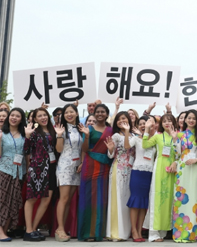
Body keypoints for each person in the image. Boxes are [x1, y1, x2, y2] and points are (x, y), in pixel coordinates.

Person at [77, 104, 112, 241]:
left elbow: (112, 149)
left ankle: (98, 232)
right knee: (88, 198)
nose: (100, 114)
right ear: (93, 113)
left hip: (104, 167)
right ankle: (87, 233)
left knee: (100, 199)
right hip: (90, 165)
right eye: (97, 112)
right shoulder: (88, 129)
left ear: (107, 114)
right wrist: (86, 136)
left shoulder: (111, 130)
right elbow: (85, 149)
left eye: (103, 112)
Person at [23, 107, 58, 241]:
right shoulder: (33, 132)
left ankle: (33, 229)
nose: (43, 117)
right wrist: (27, 136)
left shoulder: (54, 130)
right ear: (35, 119)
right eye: (40, 116)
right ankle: (28, 230)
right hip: (37, 167)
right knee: (32, 198)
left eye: (45, 115)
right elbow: (26, 150)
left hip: (52, 167)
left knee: (47, 199)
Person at [171, 110, 197, 242]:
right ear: (184, 120)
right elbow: (177, 153)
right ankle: (180, 233)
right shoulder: (179, 134)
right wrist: (175, 139)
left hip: (195, 169)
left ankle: (193, 232)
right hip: (182, 169)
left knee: (194, 200)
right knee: (180, 200)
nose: (191, 120)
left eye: (194, 118)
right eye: (189, 118)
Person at [142, 114, 178, 242]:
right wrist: (147, 130)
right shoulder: (157, 136)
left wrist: (175, 140)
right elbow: (145, 145)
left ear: (174, 122)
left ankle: (163, 232)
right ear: (161, 124)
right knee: (157, 198)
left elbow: (180, 152)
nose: (167, 123)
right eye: (164, 121)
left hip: (173, 170)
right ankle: (153, 233)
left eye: (170, 121)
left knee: (169, 199)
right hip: (160, 168)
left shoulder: (178, 135)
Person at [54, 103, 84, 242]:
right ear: (63, 115)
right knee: (64, 198)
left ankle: (63, 228)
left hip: (76, 167)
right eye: (66, 112)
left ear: (77, 114)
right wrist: (59, 136)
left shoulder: (80, 129)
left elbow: (83, 148)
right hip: (65, 166)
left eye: (71, 112)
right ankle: (59, 229)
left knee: (69, 200)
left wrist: (82, 162)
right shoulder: (61, 128)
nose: (69, 114)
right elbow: (59, 150)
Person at [106, 112, 137, 241]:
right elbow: (110, 155)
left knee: (127, 200)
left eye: (123, 118)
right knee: (117, 200)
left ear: (129, 119)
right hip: (118, 169)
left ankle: (127, 231)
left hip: (132, 170)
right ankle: (116, 232)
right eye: (118, 119)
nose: (121, 121)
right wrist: (111, 149)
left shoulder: (135, 135)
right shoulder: (116, 135)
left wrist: (129, 132)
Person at [0, 108, 26, 242]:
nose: (14, 117)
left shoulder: (24, 134)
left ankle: (4, 231)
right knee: (2, 201)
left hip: (19, 172)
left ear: (22, 119)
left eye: (18, 116)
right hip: (4, 170)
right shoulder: (2, 134)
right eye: (12, 115)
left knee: (12, 203)